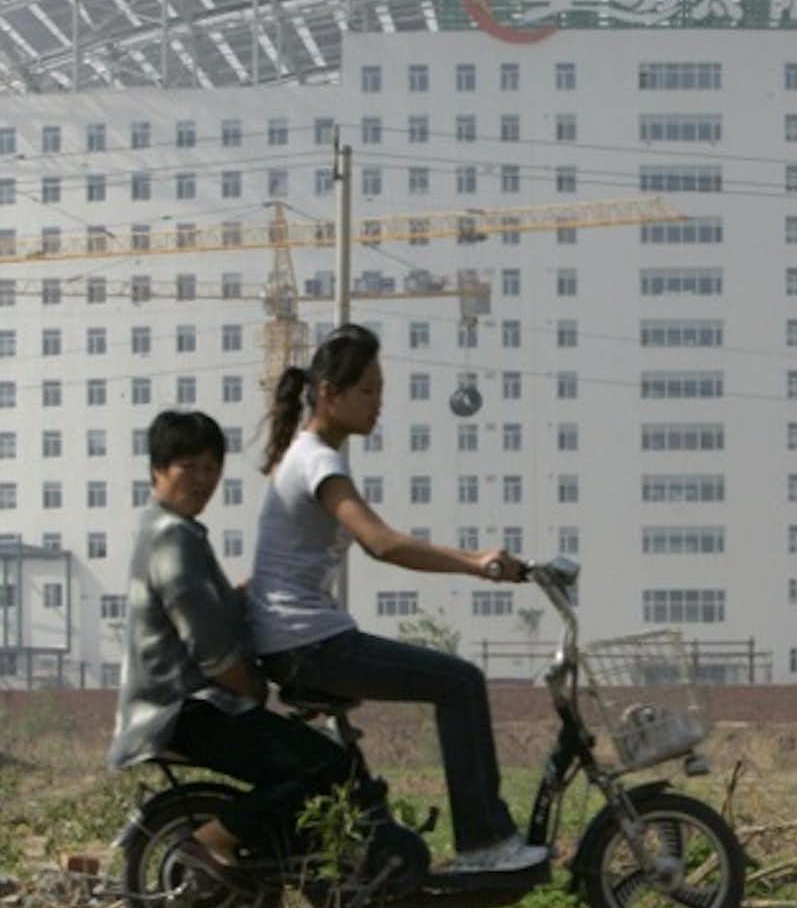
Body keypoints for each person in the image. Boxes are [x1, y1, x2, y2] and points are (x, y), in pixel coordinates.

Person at [250, 324, 549, 874]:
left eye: (380, 390)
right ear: (328, 394)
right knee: (460, 683)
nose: (377, 403)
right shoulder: (319, 460)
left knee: (450, 685)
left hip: (297, 639)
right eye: (367, 390)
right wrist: (476, 563)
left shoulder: (307, 455)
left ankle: (384, 849)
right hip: (307, 642)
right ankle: (485, 842)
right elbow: (381, 543)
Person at [108, 409, 349, 869]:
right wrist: (260, 692)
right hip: (182, 709)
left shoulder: (170, 531)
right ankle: (212, 842)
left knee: (311, 758)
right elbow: (213, 652)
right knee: (325, 765)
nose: (203, 480)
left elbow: (212, 606)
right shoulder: (173, 539)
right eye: (188, 467)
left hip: (182, 706)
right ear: (158, 470)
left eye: (211, 468)